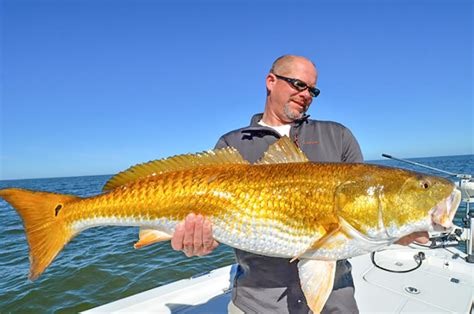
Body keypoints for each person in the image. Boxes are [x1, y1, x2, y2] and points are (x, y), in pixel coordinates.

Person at [171, 55, 429, 313]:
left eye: (312, 89)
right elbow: (216, 224)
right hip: (258, 304)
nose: (306, 94)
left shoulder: (338, 136)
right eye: (298, 84)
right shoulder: (232, 144)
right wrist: (199, 243)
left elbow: (362, 215)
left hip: (335, 302)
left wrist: (395, 232)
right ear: (271, 81)